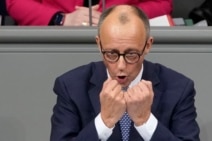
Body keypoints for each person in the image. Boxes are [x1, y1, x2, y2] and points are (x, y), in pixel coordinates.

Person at [50, 5, 200, 141]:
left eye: (131, 54)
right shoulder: (70, 86)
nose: (121, 66)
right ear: (99, 43)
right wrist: (104, 121)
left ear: (148, 45)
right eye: (111, 54)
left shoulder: (179, 88)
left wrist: (146, 121)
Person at [6, 0, 172, 26]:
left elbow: (163, 3)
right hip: (57, 38)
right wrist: (61, 19)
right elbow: (15, 2)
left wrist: (121, 14)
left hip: (121, 39)